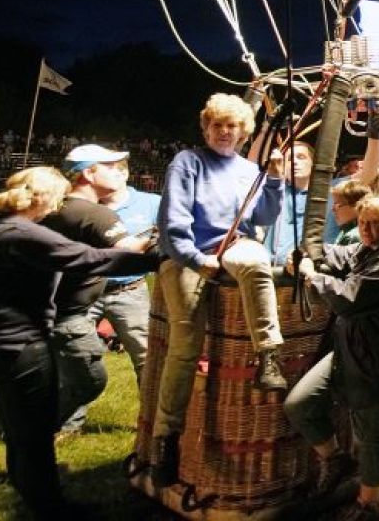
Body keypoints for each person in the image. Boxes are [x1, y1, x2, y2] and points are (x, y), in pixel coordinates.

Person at [0, 167, 160, 518]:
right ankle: (52, 507)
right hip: (21, 345)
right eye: (57, 197)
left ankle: (27, 487)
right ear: (42, 196)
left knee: (18, 427)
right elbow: (90, 259)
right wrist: (156, 258)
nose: (58, 206)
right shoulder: (24, 233)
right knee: (36, 433)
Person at [150, 93, 288, 488]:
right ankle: (166, 437)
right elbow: (173, 218)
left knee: (257, 261)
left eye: (232, 126)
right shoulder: (188, 162)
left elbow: (262, 216)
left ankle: (269, 356)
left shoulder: (249, 170)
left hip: (233, 245)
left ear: (244, 132)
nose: (224, 132)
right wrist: (195, 259)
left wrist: (274, 178)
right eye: (217, 125)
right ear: (206, 128)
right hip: (187, 252)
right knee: (184, 344)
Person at [284, 195, 379, 520]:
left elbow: (348, 298)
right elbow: (342, 253)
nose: (366, 230)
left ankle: (367, 506)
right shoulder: (370, 247)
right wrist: (308, 254)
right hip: (349, 353)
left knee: (371, 436)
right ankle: (334, 459)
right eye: (361, 223)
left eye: (374, 224)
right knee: (299, 404)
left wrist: (311, 275)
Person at [42, 144, 134, 438]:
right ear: (89, 172)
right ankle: (36, 428)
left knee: (56, 375)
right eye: (110, 167)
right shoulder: (96, 215)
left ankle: (37, 430)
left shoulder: (55, 208)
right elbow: (130, 254)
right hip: (70, 316)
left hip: (42, 310)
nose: (119, 173)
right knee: (89, 381)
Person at [95, 155, 161, 384]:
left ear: (124, 173)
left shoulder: (152, 203)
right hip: (86, 290)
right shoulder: (85, 205)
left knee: (147, 358)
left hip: (130, 290)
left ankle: (150, 418)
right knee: (73, 356)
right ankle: (69, 420)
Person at [264, 141, 315, 265]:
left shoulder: (327, 193)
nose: (295, 162)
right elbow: (254, 165)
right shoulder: (274, 191)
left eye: (301, 157)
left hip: (306, 269)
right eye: (289, 159)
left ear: (313, 163)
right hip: (271, 269)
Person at [328, 180, 373, 245]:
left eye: (337, 205)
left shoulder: (353, 237)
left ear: (357, 206)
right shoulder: (345, 230)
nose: (333, 209)